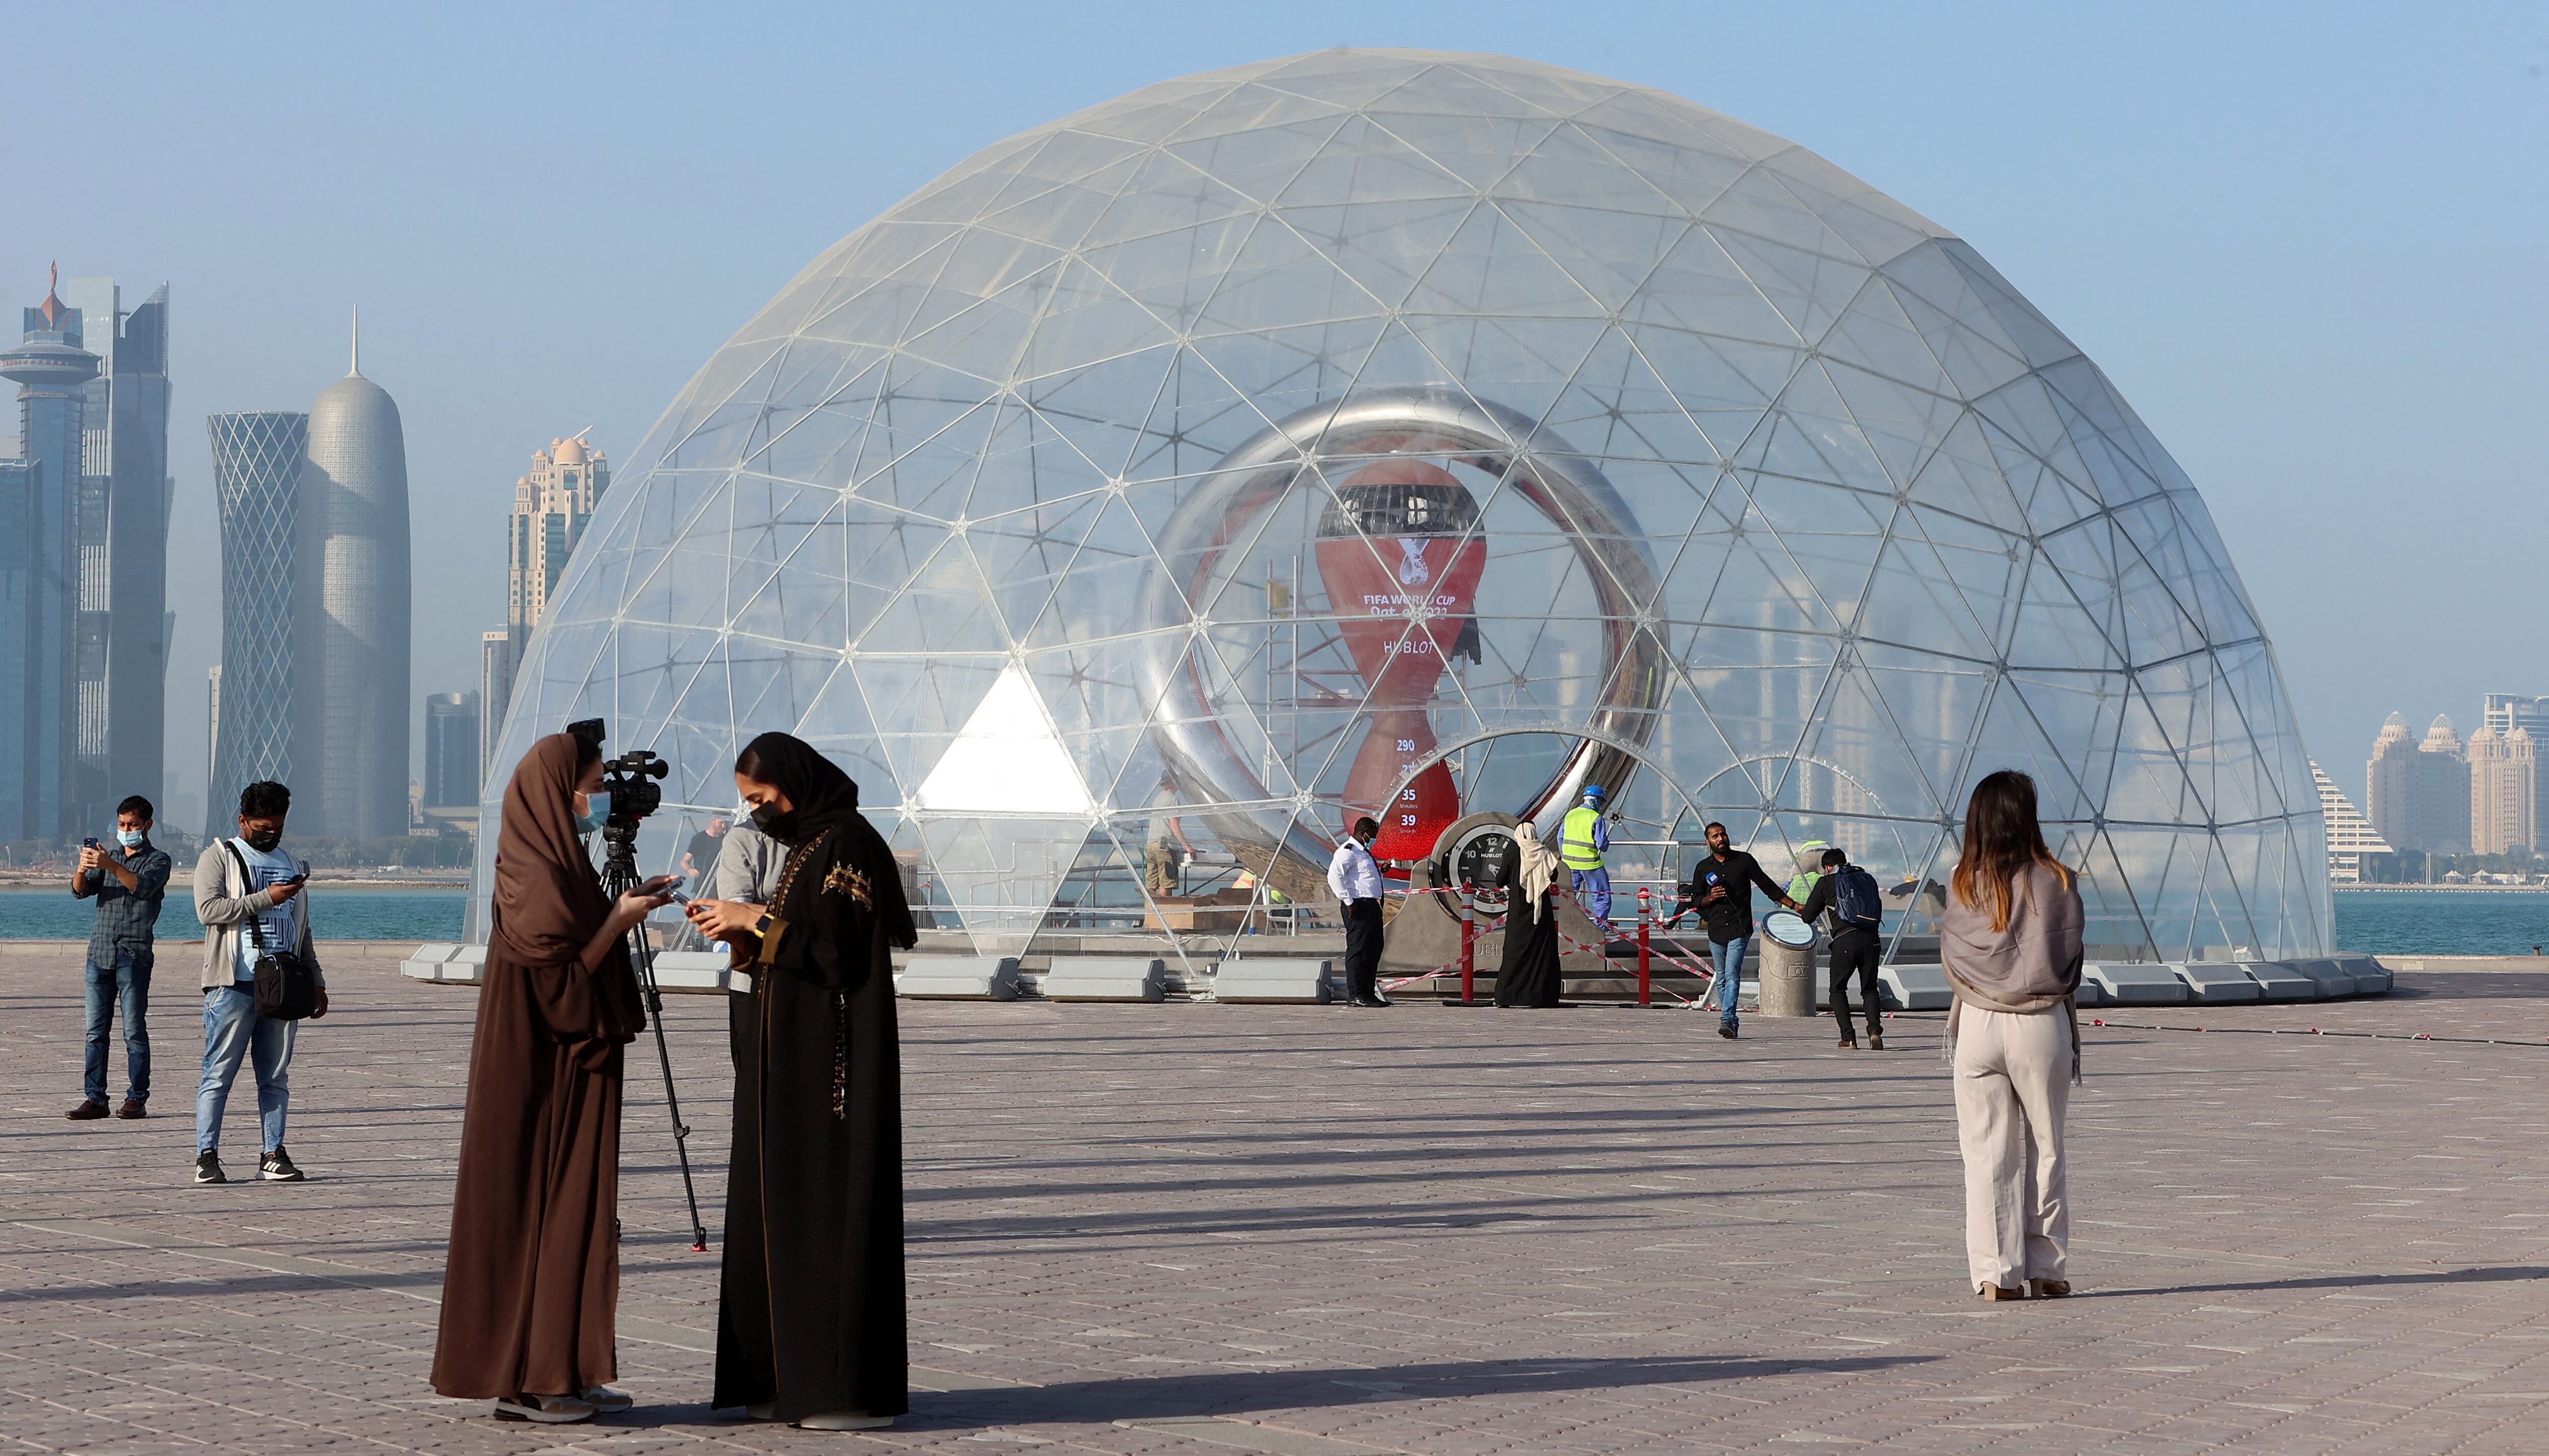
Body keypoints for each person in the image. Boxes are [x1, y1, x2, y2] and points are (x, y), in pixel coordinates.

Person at [431, 732, 677, 1424]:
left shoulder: (556, 861)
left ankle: (567, 1366)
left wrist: (626, 907)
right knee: (553, 1209)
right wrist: (621, 921)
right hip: (548, 1076)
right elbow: (561, 987)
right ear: (556, 791)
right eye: (592, 784)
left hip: (574, 1067)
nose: (598, 798)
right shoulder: (534, 874)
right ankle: (535, 1379)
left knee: (581, 1214)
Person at [684, 732, 919, 1431]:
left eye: (763, 798)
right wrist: (741, 931)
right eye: (749, 804)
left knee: (826, 1211)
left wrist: (753, 916)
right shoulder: (813, 843)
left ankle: (840, 1386)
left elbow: (838, 951)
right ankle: (782, 1375)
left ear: (794, 781)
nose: (758, 813)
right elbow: (799, 944)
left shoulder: (844, 842)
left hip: (832, 1070)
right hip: (789, 1065)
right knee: (776, 1210)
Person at [1941, 770, 2084, 1302]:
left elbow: (1952, 960)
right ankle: (2046, 1266)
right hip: (2039, 1023)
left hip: (1975, 1022)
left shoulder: (1960, 881)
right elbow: (2068, 957)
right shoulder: (2058, 879)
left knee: (1984, 1155)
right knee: (2046, 1148)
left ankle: (1994, 1274)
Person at [190, 781, 328, 1185]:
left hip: (284, 986)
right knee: (218, 1073)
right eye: (262, 827)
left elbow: (302, 930)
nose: (270, 834)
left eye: (277, 828)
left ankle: (273, 1152)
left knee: (275, 1076)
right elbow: (209, 910)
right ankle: (207, 1155)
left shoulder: (292, 861)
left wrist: (317, 980)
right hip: (233, 984)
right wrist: (267, 897)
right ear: (243, 821)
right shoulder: (219, 857)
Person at [68, 795, 173, 1121]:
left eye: (133, 825)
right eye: (122, 824)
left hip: (133, 956)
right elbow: (79, 891)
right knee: (95, 1032)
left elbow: (141, 887)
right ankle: (95, 1098)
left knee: (133, 1031)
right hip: (99, 954)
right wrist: (83, 867)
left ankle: (136, 1098)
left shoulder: (158, 860)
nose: (126, 830)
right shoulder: (108, 856)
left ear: (147, 826)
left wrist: (110, 866)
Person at [1674, 823, 1797, 1040]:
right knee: (1721, 977)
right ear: (1708, 842)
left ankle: (1727, 1018)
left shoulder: (1744, 861)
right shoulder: (1703, 868)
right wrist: (1710, 898)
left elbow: (1767, 885)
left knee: (1732, 974)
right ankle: (1731, 1020)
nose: (1720, 838)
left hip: (1740, 926)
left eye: (1723, 834)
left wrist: (1794, 906)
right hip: (1716, 928)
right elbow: (1695, 899)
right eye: (1715, 836)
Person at [1793, 847, 1886, 1049]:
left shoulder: (1826, 882)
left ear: (1828, 868)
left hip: (1845, 940)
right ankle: (1874, 1030)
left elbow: (1808, 916)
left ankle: (1849, 1038)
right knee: (1870, 988)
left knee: (1837, 989)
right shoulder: (1865, 878)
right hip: (1872, 939)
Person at [1493, 822, 1563, 1008]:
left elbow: (1499, 880)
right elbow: (1554, 876)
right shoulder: (1544, 852)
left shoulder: (1512, 853)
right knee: (1542, 954)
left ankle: (1507, 997)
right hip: (1541, 911)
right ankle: (1539, 997)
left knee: (1514, 953)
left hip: (1518, 909)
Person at [1329, 815, 1388, 1008]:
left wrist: (1382, 871)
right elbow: (1334, 876)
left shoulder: (1364, 852)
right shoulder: (1348, 851)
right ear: (1364, 832)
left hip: (1372, 905)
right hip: (1357, 906)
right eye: (1373, 834)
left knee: (1374, 948)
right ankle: (1356, 994)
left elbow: (1364, 877)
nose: (1375, 837)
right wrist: (1348, 901)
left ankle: (1368, 993)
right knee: (1358, 950)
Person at [1557, 785, 1612, 928]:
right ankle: (1599, 928)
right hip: (1591, 865)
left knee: (1568, 897)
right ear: (1597, 800)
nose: (1601, 805)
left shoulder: (1570, 815)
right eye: (1601, 802)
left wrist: (1565, 857)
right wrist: (1606, 844)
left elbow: (1560, 837)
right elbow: (1602, 845)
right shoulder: (1596, 818)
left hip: (1570, 865)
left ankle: (1567, 925)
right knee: (1602, 896)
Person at [682, 815, 729, 895]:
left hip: (720, 887)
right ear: (713, 820)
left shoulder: (727, 840)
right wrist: (690, 870)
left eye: (725, 823)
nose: (723, 826)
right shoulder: (699, 839)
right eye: (721, 822)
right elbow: (684, 862)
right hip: (701, 886)